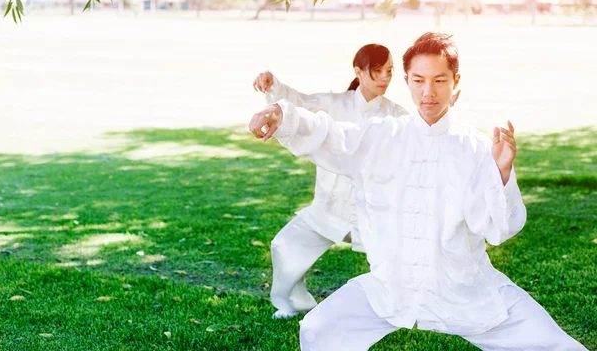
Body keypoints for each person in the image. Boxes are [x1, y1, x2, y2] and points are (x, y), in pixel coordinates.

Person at [249, 32, 587, 350]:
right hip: (390, 287)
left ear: (456, 85)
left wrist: (500, 171)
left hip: (463, 287)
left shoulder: (476, 148)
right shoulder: (382, 136)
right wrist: (283, 114)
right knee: (319, 329)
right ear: (408, 82)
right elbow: (332, 135)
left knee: (550, 342)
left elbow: (498, 229)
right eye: (419, 80)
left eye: (440, 80)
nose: (429, 92)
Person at [253, 44, 409, 319]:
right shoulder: (334, 103)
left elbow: (418, 138)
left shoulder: (396, 115)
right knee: (285, 245)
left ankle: (404, 308)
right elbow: (297, 103)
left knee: (399, 261)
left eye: (389, 71)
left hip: (374, 211)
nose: (385, 78)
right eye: (377, 71)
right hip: (330, 206)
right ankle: (294, 304)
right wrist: (272, 85)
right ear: (359, 72)